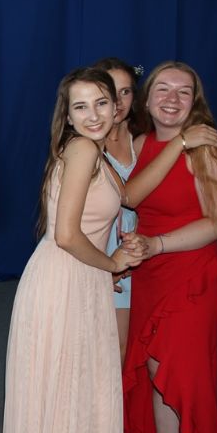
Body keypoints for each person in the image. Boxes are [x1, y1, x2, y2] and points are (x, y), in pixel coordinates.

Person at [0, 68, 147, 433]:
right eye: (80, 107)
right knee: (67, 386)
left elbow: (123, 201)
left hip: (78, 276)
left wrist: (116, 256)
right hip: (64, 279)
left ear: (117, 106)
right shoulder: (83, 148)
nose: (93, 115)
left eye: (101, 103)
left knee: (72, 387)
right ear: (67, 116)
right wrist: (113, 264)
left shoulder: (94, 152)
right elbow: (66, 235)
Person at [122, 62, 217, 433]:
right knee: (157, 369)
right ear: (146, 99)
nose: (172, 99)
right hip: (149, 273)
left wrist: (157, 244)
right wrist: (177, 143)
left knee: (178, 371)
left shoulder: (206, 148)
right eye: (163, 89)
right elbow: (129, 197)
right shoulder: (140, 143)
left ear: (195, 102)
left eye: (183, 91)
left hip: (191, 270)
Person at [94, 57, 142, 368]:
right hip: (99, 248)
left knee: (126, 348)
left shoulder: (144, 139)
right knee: (102, 346)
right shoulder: (86, 143)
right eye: (112, 92)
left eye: (126, 92)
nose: (119, 101)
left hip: (137, 249)